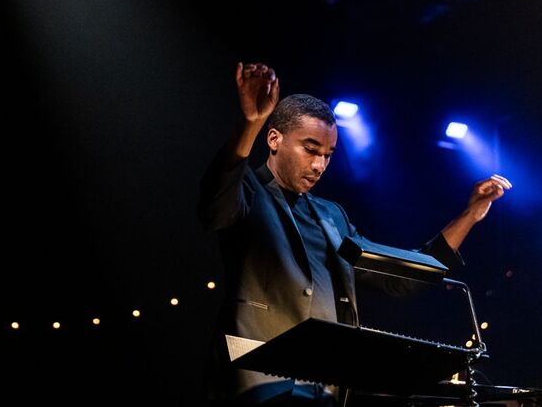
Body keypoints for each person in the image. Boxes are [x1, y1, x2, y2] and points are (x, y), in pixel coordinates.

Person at [198, 62, 512, 405]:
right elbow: (216, 202)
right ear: (274, 139)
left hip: (325, 387)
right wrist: (252, 123)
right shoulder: (247, 190)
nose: (319, 165)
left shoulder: (331, 215)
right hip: (258, 380)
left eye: (328, 155)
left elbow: (398, 276)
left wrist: (470, 215)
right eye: (310, 149)